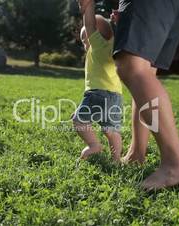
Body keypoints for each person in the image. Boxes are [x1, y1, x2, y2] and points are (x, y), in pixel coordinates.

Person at [79, 0, 179, 190]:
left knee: (133, 67)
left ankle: (176, 163)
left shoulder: (100, 42)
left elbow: (92, 26)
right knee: (145, 71)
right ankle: (136, 154)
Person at [72, 3, 123, 162]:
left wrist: (87, 6)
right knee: (112, 130)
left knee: (78, 120)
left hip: (97, 93)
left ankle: (94, 145)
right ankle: (116, 160)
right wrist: (116, 23)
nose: (85, 42)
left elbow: (89, 24)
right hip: (116, 96)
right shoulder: (115, 46)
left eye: (84, 38)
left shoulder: (98, 46)